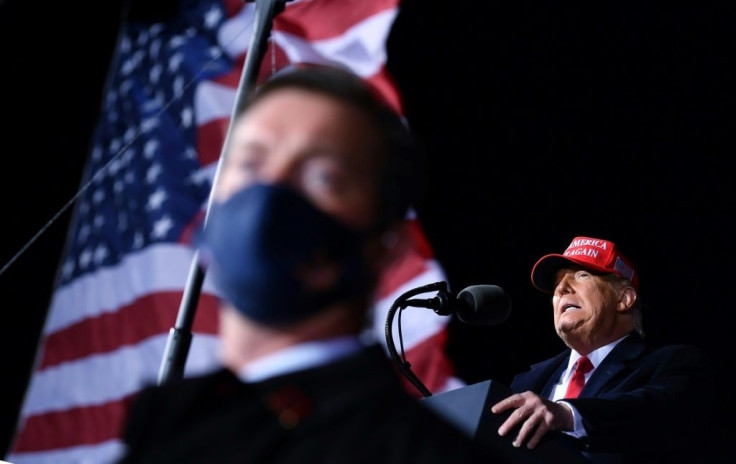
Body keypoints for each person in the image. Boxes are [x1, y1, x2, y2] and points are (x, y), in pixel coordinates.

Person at [115, 65, 492, 464]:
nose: (269, 189)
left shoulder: (421, 453)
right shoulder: (171, 420)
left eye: (322, 177)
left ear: (386, 246)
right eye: (250, 164)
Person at [490, 236, 715, 463]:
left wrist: (569, 414)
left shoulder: (673, 363)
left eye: (581, 276)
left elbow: (657, 413)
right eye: (557, 283)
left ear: (624, 298)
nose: (561, 288)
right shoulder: (525, 383)